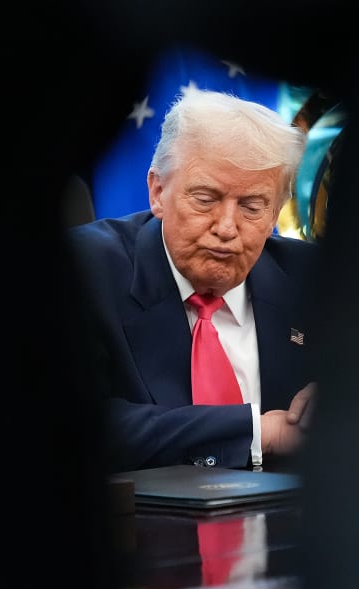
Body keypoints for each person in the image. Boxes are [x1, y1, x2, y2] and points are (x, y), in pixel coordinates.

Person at [69, 88, 320, 473]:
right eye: (205, 199)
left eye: (252, 207)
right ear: (158, 191)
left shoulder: (315, 280)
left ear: (275, 215)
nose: (226, 228)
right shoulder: (85, 270)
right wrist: (257, 431)